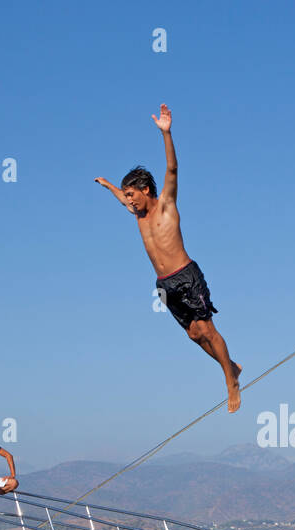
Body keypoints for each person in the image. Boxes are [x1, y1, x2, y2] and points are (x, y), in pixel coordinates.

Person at [95, 104, 242, 413]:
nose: (129, 199)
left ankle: (230, 381)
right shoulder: (137, 215)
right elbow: (121, 199)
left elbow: (172, 170)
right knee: (192, 334)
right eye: (127, 196)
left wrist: (166, 133)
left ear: (146, 189)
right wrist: (109, 186)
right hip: (163, 284)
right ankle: (231, 366)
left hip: (186, 275)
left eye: (132, 194)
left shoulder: (165, 206)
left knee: (207, 330)